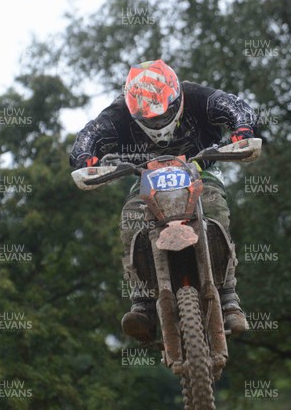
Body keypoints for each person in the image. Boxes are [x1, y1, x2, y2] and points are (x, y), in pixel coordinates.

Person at [70, 59, 257, 342]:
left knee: (215, 207)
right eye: (148, 118)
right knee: (131, 216)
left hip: (199, 169)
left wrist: (242, 128)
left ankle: (229, 296)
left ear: (177, 97)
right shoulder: (119, 112)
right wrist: (85, 157)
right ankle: (142, 303)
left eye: (162, 113)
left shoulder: (196, 95)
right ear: (132, 110)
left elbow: (234, 106)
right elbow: (89, 135)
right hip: (146, 179)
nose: (157, 122)